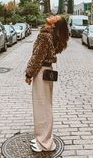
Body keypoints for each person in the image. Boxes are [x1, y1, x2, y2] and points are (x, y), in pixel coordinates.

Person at [25, 15, 69, 152]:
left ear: (54, 24)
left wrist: (29, 74)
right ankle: (43, 138)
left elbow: (37, 57)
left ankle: (44, 143)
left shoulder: (45, 36)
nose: (52, 15)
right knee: (45, 105)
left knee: (41, 107)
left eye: (55, 17)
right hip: (47, 70)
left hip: (41, 71)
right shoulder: (52, 36)